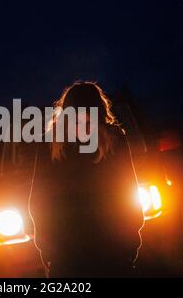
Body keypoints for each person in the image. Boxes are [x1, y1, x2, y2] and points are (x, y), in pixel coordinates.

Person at [32, 80, 144, 277]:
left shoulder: (50, 145)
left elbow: (38, 203)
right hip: (113, 253)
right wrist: (129, 246)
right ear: (100, 108)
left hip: (67, 258)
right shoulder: (114, 139)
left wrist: (49, 252)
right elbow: (129, 196)